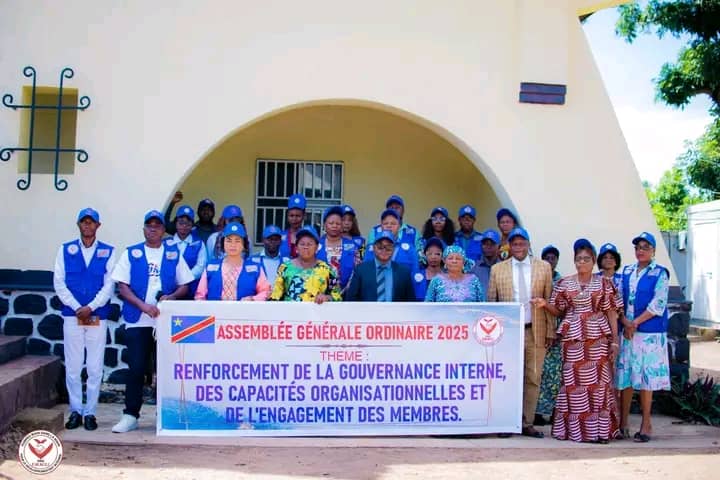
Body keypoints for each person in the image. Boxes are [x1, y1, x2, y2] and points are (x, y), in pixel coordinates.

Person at [110, 210, 194, 433]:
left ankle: (165, 415)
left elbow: (185, 284)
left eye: (157, 226)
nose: (153, 229)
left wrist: (171, 297)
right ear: (144, 229)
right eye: (149, 225)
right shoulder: (132, 253)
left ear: (164, 230)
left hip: (164, 321)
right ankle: (130, 415)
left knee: (166, 369)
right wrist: (143, 306)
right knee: (136, 368)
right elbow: (122, 287)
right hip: (138, 320)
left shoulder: (173, 253)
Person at [532, 239, 621, 443]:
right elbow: (559, 310)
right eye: (578, 259)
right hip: (573, 339)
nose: (582, 262)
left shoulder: (605, 284)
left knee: (598, 385)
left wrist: (615, 341)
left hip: (597, 339)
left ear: (594, 261)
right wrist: (545, 304)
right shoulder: (564, 283)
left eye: (586, 259)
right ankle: (575, 431)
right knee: (573, 384)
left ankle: (599, 432)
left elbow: (611, 312)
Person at [486, 226, 554, 438]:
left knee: (533, 378)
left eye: (522, 243)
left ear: (528, 244)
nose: (518, 247)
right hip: (508, 333)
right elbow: (492, 303)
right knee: (507, 377)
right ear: (509, 246)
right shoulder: (498, 269)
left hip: (535, 330)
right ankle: (506, 422)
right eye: (514, 243)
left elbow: (549, 300)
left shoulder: (543, 267)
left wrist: (550, 331)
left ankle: (526, 422)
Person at [53, 207, 116, 431]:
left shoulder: (108, 251)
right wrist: (77, 307)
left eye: (91, 222)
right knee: (73, 366)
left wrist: (91, 307)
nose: (87, 225)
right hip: (73, 315)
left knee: (95, 367)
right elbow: (59, 282)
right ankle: (75, 410)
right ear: (78, 224)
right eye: (84, 222)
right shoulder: (65, 250)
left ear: (98, 225)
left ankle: (90, 412)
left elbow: (109, 285)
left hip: (97, 315)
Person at [616, 232, 670, 443]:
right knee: (626, 376)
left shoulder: (660, 273)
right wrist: (625, 322)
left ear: (653, 250)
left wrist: (634, 323)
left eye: (645, 247)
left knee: (647, 378)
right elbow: (618, 299)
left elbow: (658, 304)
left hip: (649, 334)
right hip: (628, 332)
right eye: (638, 247)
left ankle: (646, 424)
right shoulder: (627, 271)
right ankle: (623, 423)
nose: (641, 251)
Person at [195, 222, 271, 301]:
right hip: (215, 309)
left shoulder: (255, 268)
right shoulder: (210, 267)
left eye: (237, 241)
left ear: (244, 244)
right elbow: (200, 296)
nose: (233, 245)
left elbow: (266, 291)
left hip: (245, 309)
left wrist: (253, 299)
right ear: (223, 243)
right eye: (229, 241)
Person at [269, 226, 342, 302]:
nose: (306, 247)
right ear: (296, 248)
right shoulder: (285, 267)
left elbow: (337, 296)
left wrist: (327, 298)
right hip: (290, 309)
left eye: (309, 244)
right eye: (302, 244)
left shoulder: (326, 269)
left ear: (316, 247)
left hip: (317, 309)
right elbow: (275, 295)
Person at [535, 244, 563, 425]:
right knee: (539, 372)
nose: (550, 261)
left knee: (555, 374)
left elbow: (562, 308)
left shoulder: (561, 282)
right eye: (547, 258)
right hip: (538, 329)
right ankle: (537, 412)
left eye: (553, 258)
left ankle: (554, 411)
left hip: (556, 332)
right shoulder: (536, 278)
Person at [345, 231, 416, 302]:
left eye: (388, 247)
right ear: (374, 248)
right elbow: (351, 298)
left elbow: (410, 301)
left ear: (394, 249)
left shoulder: (403, 272)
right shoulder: (361, 270)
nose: (384, 250)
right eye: (380, 247)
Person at [164, 205, 207, 298]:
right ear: (176, 223)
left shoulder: (199, 243)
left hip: (191, 291)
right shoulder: (166, 243)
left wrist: (184, 279)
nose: (184, 226)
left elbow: (200, 267)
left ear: (192, 225)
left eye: (188, 224)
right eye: (181, 223)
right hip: (169, 290)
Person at [364, 208, 419, 273]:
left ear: (399, 226)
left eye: (393, 224)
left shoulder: (409, 249)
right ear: (381, 226)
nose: (389, 226)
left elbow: (415, 273)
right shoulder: (371, 248)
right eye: (385, 223)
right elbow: (365, 271)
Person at [317, 206, 358, 290]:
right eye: (331, 223)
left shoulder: (352, 245)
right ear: (324, 225)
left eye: (338, 223)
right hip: (320, 292)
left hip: (347, 292)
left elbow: (357, 269)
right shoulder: (316, 244)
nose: (334, 226)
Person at [470, 229, 501, 295]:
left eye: (492, 244)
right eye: (485, 244)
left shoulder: (505, 268)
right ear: (481, 246)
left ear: (499, 247)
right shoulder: (473, 269)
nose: (488, 247)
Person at [279, 193, 307, 258]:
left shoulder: (309, 236)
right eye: (291, 216)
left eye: (298, 216)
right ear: (287, 216)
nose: (294, 219)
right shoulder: (280, 236)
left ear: (304, 216)